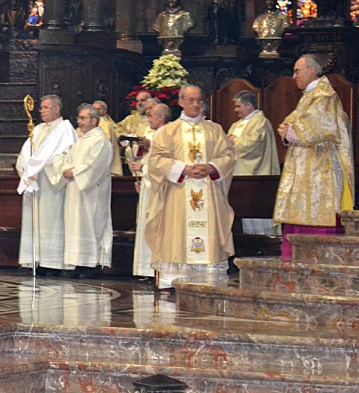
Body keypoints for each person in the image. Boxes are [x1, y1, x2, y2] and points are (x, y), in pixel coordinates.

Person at [145, 84, 236, 290]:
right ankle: (175, 280)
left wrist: (210, 167)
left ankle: (207, 280)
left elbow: (228, 156)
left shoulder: (214, 130)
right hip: (179, 193)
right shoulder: (168, 131)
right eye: (190, 100)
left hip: (208, 192)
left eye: (199, 100)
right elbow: (157, 161)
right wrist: (183, 169)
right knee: (177, 236)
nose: (196, 104)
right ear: (180, 102)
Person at [274, 55, 354, 260]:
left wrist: (292, 131)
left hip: (320, 167)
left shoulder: (324, 96)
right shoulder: (310, 96)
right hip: (306, 167)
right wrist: (288, 130)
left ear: (311, 70)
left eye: (297, 71)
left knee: (318, 212)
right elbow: (292, 121)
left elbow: (320, 127)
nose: (294, 76)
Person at [16, 94, 77, 275]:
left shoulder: (65, 129)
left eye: (45, 107)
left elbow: (68, 155)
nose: (41, 111)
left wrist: (45, 165)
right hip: (35, 181)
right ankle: (35, 259)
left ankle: (52, 263)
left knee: (52, 222)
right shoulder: (37, 129)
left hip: (52, 183)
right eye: (41, 107)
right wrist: (27, 167)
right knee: (33, 221)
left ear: (56, 109)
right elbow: (25, 154)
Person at [60, 103, 114, 278]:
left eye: (83, 118)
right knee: (76, 225)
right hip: (74, 189)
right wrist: (66, 169)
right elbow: (68, 157)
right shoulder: (80, 139)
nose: (79, 121)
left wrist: (74, 172)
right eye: (79, 118)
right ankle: (77, 262)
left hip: (91, 192)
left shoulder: (100, 141)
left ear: (94, 120)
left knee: (90, 225)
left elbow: (94, 165)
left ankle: (91, 264)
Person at [227, 90, 280, 236]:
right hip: (238, 176)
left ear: (249, 105)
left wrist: (234, 140)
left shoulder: (260, 122)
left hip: (256, 174)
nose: (235, 110)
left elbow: (254, 144)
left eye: (238, 106)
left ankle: (262, 238)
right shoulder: (236, 125)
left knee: (255, 208)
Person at [130, 103, 172, 278]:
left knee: (155, 226)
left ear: (161, 117)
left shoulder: (167, 134)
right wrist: (142, 176)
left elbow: (164, 164)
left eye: (151, 115)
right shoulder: (154, 134)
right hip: (148, 187)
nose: (148, 119)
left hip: (159, 190)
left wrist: (144, 168)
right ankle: (146, 269)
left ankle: (154, 270)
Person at [91, 100, 124, 176]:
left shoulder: (109, 125)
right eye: (93, 109)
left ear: (105, 110)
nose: (95, 111)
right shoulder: (87, 123)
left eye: (98, 109)